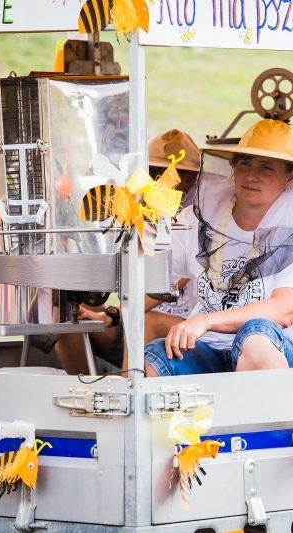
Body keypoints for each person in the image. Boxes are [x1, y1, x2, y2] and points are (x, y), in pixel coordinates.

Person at [143, 118, 293, 377]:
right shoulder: (197, 216)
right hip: (209, 349)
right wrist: (112, 308)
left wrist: (206, 320)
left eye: (266, 167)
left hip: (280, 356)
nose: (252, 175)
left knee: (256, 337)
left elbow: (284, 311)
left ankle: (260, 418)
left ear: (290, 176)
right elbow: (163, 285)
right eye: (244, 163)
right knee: (156, 359)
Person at [53, 129, 202, 374]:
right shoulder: (139, 209)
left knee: (144, 322)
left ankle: (126, 400)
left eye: (162, 172)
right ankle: (87, 398)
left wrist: (112, 314)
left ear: (190, 177)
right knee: (68, 318)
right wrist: (95, 307)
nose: (153, 179)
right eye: (150, 171)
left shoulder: (198, 218)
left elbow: (168, 286)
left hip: (180, 327)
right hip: (131, 315)